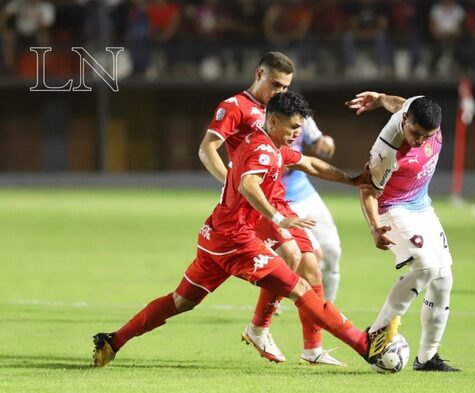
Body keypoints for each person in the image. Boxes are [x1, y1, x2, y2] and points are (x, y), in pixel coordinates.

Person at [92, 91, 399, 369]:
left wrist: (353, 179)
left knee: (180, 301)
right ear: (274, 120)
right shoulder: (263, 151)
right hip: (236, 241)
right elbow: (247, 184)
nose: (296, 134)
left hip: (215, 236)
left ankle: (114, 340)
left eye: (299, 129)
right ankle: (364, 344)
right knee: (301, 286)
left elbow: (309, 163)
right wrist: (278, 219)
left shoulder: (270, 144)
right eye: (292, 127)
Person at [199, 51, 344, 366]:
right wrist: (230, 182)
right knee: (293, 256)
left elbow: (304, 156)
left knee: (313, 264)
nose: (281, 92)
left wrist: (350, 176)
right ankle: (259, 328)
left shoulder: (285, 109)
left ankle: (312, 348)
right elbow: (207, 148)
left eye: (286, 86)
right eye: (276, 85)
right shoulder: (235, 107)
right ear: (258, 74)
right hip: (257, 204)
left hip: (283, 197)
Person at [345, 91, 460, 372]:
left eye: (426, 135)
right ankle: (378, 334)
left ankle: (427, 358)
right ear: (405, 121)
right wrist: (375, 228)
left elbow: (400, 104)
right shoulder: (387, 150)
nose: (420, 141)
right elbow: (368, 191)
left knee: (444, 279)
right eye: (416, 133)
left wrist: (381, 98)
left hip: (421, 203)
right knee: (426, 267)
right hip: (392, 207)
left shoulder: (419, 112)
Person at [282, 117, 342, 303]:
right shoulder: (262, 118)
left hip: (307, 194)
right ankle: (276, 298)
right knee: (313, 255)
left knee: (333, 252)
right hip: (283, 201)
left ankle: (328, 308)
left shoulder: (301, 117)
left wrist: (326, 145)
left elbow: (322, 145)